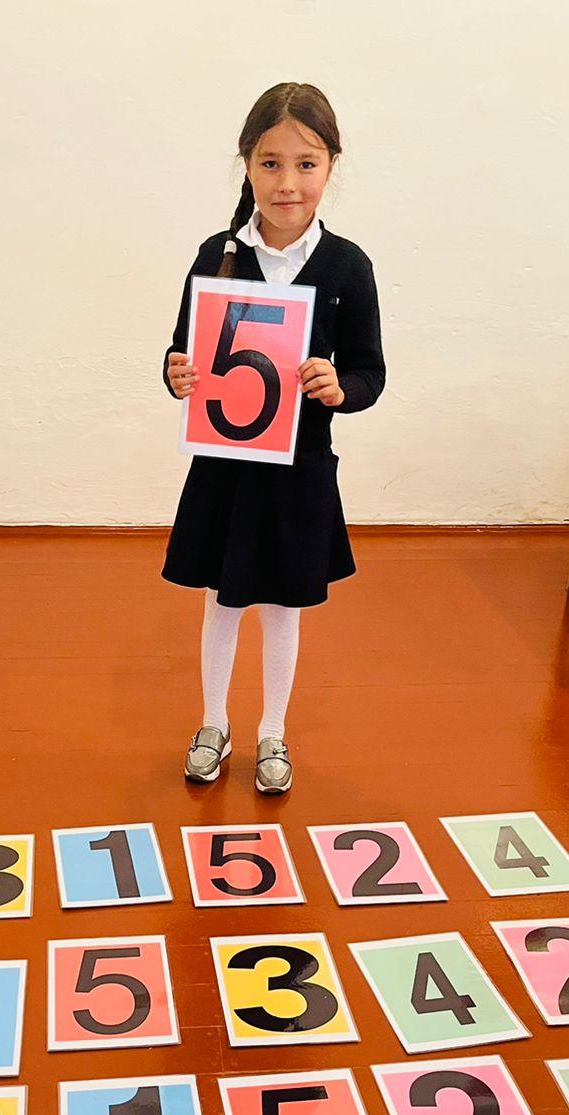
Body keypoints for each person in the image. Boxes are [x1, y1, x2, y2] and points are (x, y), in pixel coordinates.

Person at [161, 82, 385, 793]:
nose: (288, 183)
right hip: (227, 465)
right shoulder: (216, 255)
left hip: (300, 469)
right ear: (248, 166)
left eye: (306, 164)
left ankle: (273, 732)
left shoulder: (347, 266)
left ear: (331, 166)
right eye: (270, 163)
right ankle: (213, 723)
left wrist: (339, 387)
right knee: (223, 600)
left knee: (285, 605)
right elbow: (179, 353)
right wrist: (177, 374)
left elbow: (370, 372)